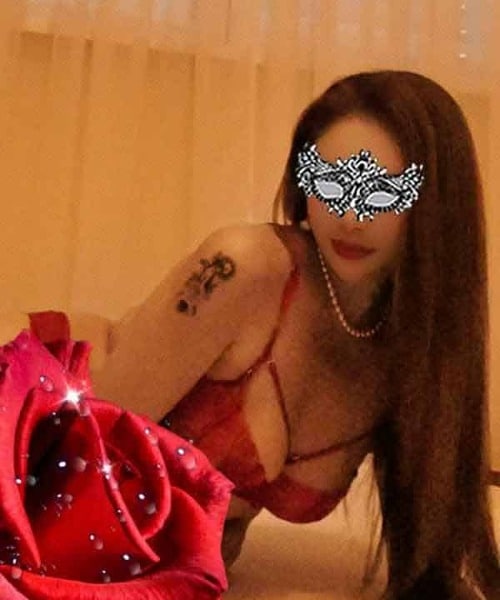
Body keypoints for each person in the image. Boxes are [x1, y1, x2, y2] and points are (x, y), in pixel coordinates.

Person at [92, 70, 500, 599]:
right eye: (329, 183)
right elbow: (73, 444)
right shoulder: (245, 268)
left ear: (435, 205)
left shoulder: (412, 345)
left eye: (383, 192)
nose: (351, 215)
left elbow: (432, 547)